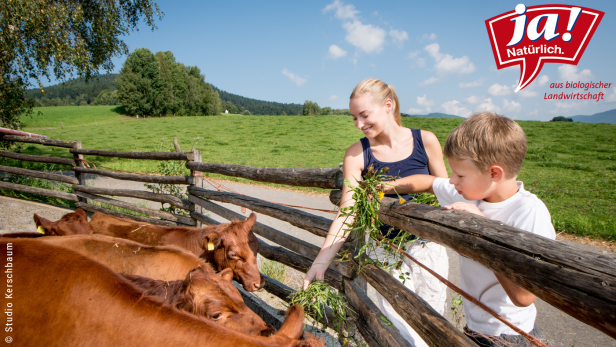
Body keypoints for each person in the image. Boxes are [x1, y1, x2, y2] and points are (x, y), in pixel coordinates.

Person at [382, 112, 554, 346]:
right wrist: (380, 188)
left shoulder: (528, 212)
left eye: (460, 174)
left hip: (509, 335)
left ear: (494, 173)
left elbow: (524, 296)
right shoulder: (474, 193)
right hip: (477, 329)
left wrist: (483, 230)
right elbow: (429, 182)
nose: (452, 181)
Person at [302, 78, 450, 347]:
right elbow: (347, 212)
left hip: (427, 248)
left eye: (364, 115)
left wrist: (390, 187)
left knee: (431, 323)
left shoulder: (425, 140)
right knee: (397, 325)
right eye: (354, 118)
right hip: (383, 251)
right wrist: (320, 262)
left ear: (388, 106)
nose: (359, 124)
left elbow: (446, 190)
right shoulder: (357, 154)